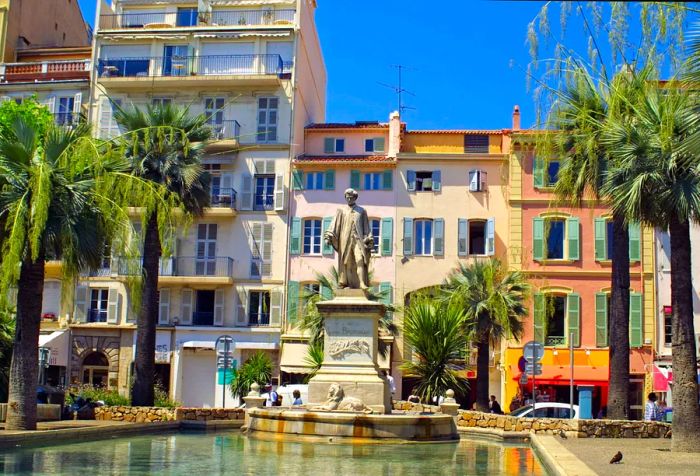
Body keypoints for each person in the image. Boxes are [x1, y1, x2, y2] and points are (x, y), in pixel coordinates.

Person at [324, 188, 373, 289]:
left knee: (360, 259)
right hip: (345, 241)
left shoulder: (362, 211)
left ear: (355, 198)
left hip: (358, 241)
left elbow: (366, 227)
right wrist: (328, 237)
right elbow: (334, 224)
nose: (349, 199)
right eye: (347, 197)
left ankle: (362, 283)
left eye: (351, 197)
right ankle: (346, 283)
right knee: (347, 263)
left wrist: (369, 238)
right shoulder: (341, 210)